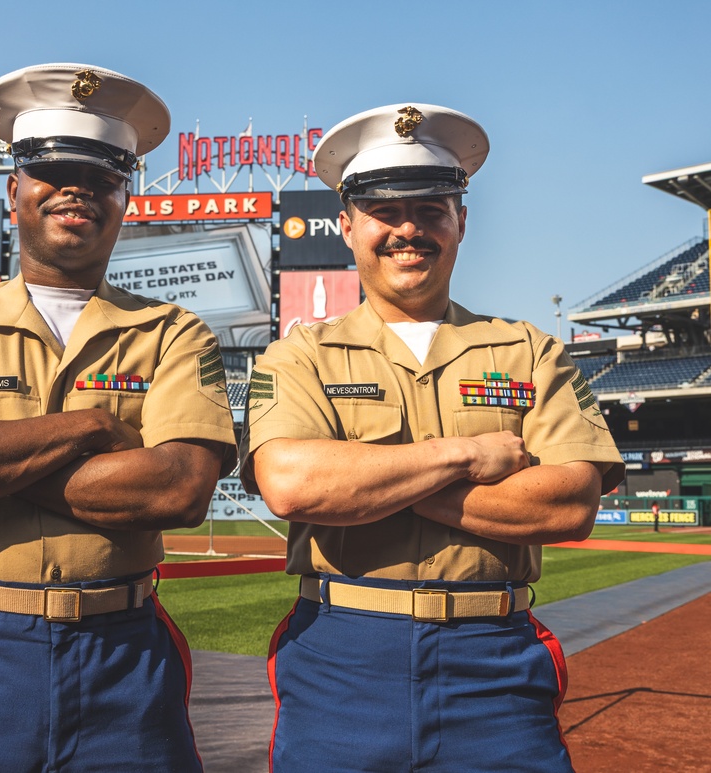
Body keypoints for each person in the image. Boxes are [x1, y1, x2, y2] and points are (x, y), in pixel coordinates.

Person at [0, 63, 236, 772]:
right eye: (52, 169)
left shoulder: (175, 332)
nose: (76, 188)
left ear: (125, 196)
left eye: (102, 175)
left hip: (125, 654)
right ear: (13, 190)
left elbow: (179, 488)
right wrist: (88, 429)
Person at [240, 103, 625, 772]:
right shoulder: (298, 356)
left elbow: (568, 503)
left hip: (494, 662)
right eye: (385, 211)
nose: (408, 228)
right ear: (348, 225)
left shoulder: (529, 350)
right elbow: (293, 484)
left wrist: (369, 483)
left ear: (462, 221)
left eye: (432, 207)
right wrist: (465, 454)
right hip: (343, 657)